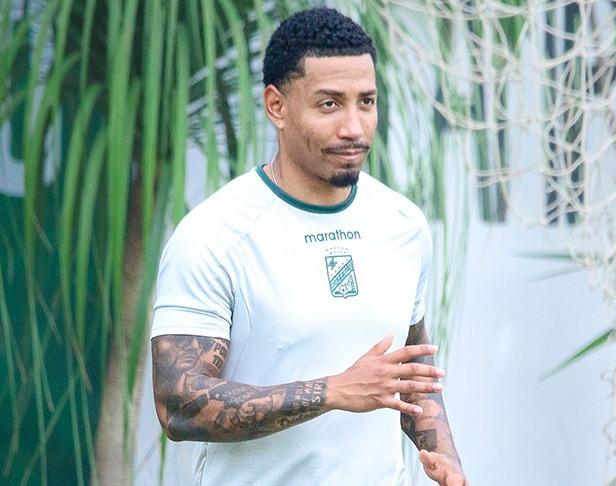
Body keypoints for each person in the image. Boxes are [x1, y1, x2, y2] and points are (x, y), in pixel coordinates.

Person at [149, 7, 467, 486]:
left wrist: (445, 458)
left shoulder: (402, 223)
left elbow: (410, 368)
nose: (354, 127)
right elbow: (179, 403)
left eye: (366, 102)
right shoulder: (215, 234)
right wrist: (332, 391)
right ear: (276, 106)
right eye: (329, 104)